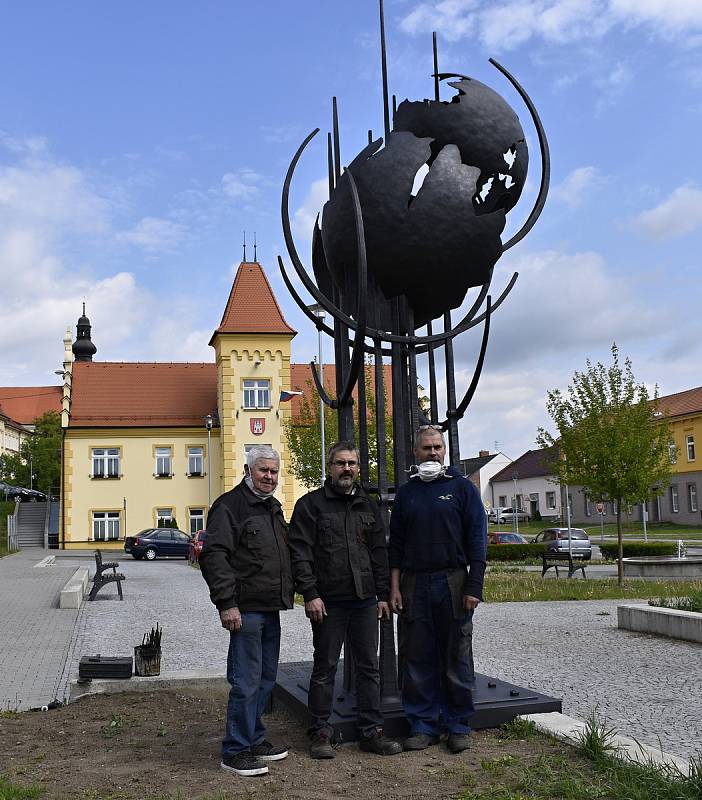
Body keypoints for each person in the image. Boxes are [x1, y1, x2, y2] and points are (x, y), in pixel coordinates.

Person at [288, 441, 403, 759]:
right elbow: (300, 553)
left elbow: (379, 552)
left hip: (365, 601)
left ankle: (371, 732)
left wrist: (382, 594)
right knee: (324, 668)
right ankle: (320, 732)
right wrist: (310, 594)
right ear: (330, 467)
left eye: (352, 463)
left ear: (358, 468)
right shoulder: (310, 506)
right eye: (341, 463)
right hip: (328, 603)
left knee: (369, 668)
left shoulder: (367, 506)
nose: (347, 469)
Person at [388, 425, 487, 754]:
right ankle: (422, 725)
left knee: (456, 655)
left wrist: (474, 585)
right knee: (417, 656)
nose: (432, 453)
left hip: (453, 581)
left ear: (444, 451)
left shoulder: (462, 489)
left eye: (437, 447)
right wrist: (395, 587)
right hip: (415, 582)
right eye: (426, 448)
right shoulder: (407, 493)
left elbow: (477, 541)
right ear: (415, 453)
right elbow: (396, 546)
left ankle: (458, 724)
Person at [200, 445, 293, 778]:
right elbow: (214, 556)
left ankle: (254, 739)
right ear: (247, 470)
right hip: (246, 610)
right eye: (263, 470)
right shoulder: (230, 507)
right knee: (246, 681)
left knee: (265, 679)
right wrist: (227, 603)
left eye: (273, 472)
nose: (269, 477)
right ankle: (235, 750)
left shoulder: (271, 507)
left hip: (270, 609)